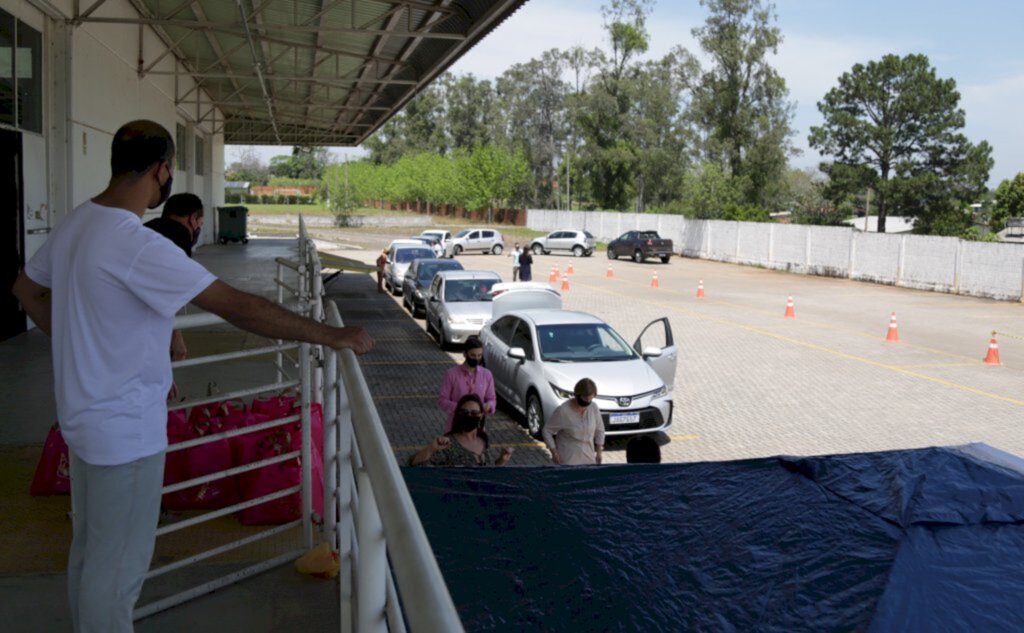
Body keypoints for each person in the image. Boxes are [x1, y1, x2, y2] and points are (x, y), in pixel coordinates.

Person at [11, 119, 373, 633]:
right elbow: (238, 306)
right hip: (126, 433)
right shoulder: (136, 245)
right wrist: (328, 334)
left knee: (92, 555)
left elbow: (26, 291)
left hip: (84, 422)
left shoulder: (77, 223)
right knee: (116, 576)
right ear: (162, 170)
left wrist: (76, 340)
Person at [144, 193, 205, 364]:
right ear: (192, 219)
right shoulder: (179, 236)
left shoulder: (147, 229)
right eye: (200, 224)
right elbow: (169, 289)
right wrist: (176, 335)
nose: (197, 230)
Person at [409, 394, 513, 466]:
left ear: (481, 416)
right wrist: (431, 448)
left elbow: (489, 473)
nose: (469, 416)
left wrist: (501, 461)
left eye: (474, 413)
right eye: (464, 413)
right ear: (458, 415)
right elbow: (414, 463)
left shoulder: (483, 439)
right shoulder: (448, 444)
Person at [438, 336, 496, 433]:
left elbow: (492, 399)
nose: (476, 358)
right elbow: (442, 400)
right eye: (473, 355)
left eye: (479, 355)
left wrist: (489, 406)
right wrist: (462, 409)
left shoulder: (487, 375)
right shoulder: (451, 374)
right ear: (465, 354)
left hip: (477, 428)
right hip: (455, 426)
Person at [542, 378, 604, 465]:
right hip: (568, 459)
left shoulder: (593, 408)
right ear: (577, 395)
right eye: (585, 399)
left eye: (590, 399)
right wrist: (554, 452)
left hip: (588, 458)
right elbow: (547, 431)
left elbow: (600, 430)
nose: (588, 402)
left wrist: (599, 452)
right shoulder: (563, 411)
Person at [143, 192, 204, 258]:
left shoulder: (144, 230)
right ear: (193, 219)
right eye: (200, 224)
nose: (198, 229)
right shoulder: (181, 242)